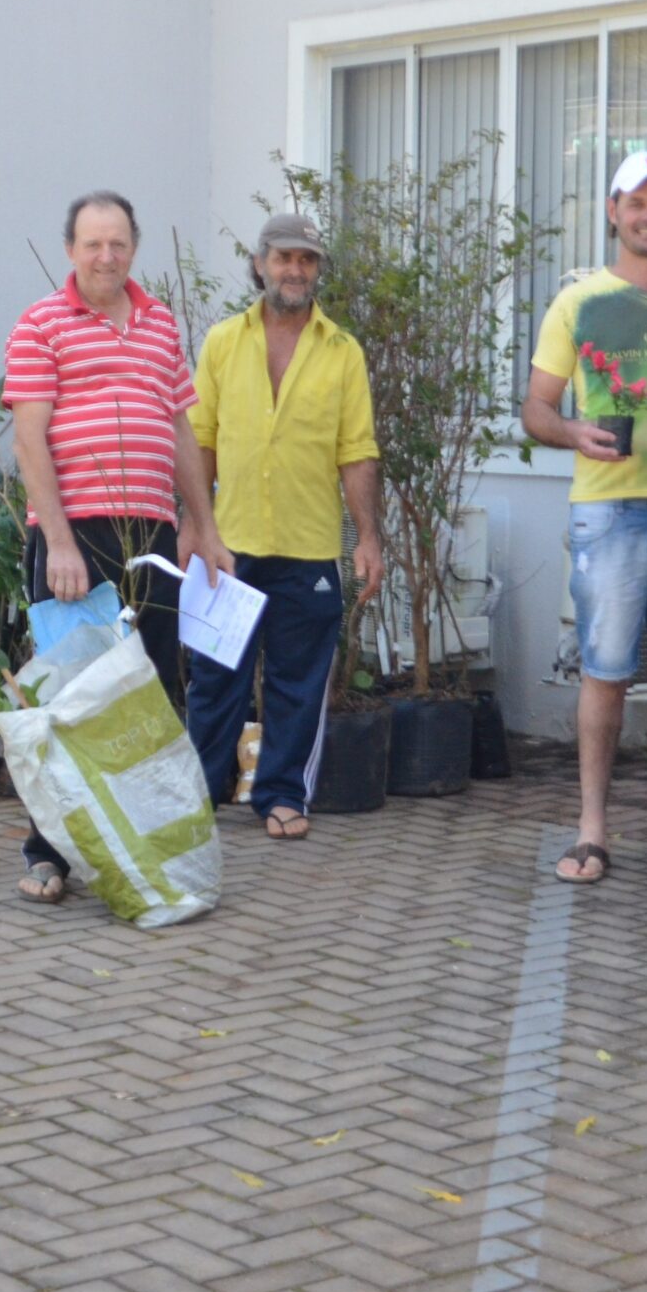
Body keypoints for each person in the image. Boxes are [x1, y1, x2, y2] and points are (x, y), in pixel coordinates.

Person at [5, 190, 231, 902]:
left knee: (155, 694)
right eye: (93, 244)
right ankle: (47, 852)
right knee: (72, 699)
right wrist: (61, 544)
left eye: (118, 244)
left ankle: (145, 847)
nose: (106, 256)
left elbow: (182, 432)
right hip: (79, 540)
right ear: (71, 250)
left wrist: (203, 525)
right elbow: (29, 439)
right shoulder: (41, 325)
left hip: (152, 537)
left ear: (133, 249)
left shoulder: (161, 324)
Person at [522, 151, 647, 885]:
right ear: (613, 213)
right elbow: (537, 408)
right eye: (635, 204)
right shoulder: (577, 303)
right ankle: (592, 831)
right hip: (608, 510)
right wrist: (574, 432)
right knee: (605, 672)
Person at [185, 212, 386, 839]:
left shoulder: (342, 350)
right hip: (230, 546)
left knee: (299, 685)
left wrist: (370, 538)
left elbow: (356, 450)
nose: (295, 270)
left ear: (317, 269)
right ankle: (198, 800)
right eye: (284, 258)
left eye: (307, 260)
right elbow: (200, 441)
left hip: (308, 546)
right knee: (217, 683)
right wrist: (195, 524)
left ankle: (281, 798)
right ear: (260, 263)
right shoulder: (223, 341)